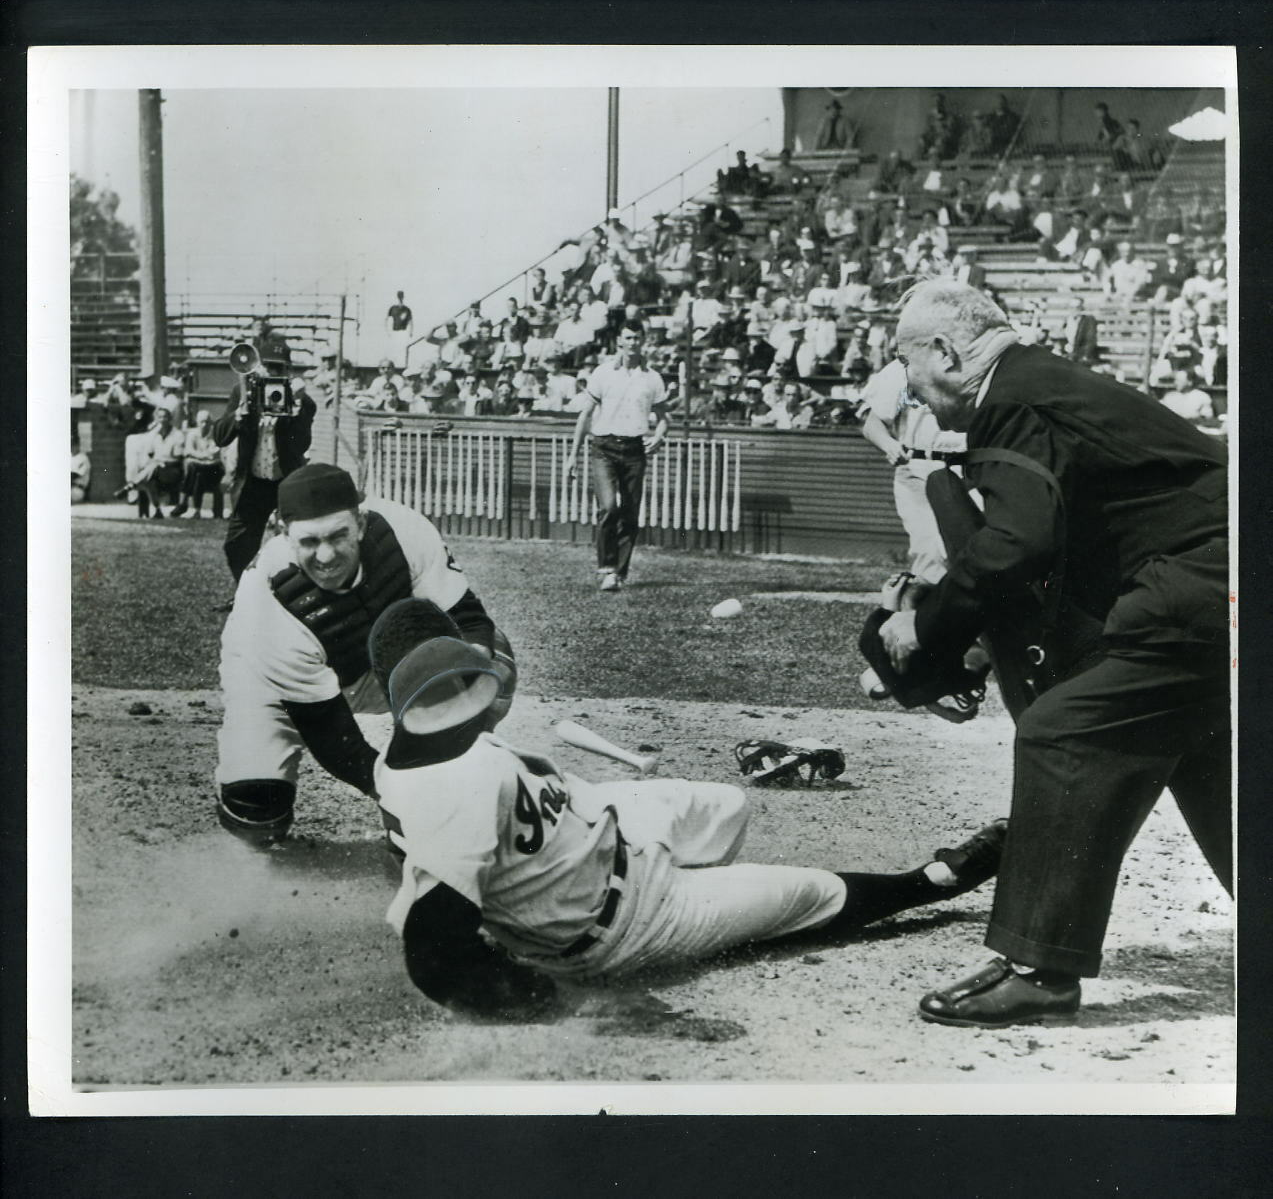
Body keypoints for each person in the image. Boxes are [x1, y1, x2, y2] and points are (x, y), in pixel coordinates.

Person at [366, 598, 1009, 1017]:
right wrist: (554, 1001)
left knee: (728, 806)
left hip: (597, 835)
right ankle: (934, 879)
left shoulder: (413, 754)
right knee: (809, 894)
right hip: (629, 920)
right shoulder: (456, 784)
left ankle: (700, 875)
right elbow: (434, 953)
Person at [881, 279, 1228, 1027]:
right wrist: (977, 648)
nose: (902, 379)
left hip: (1201, 575)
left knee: (1063, 732)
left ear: (943, 350)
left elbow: (1018, 543)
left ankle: (1039, 972)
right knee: (1203, 758)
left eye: (903, 358)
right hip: (1217, 573)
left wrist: (928, 627)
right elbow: (1054, 548)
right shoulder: (1037, 382)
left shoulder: (1011, 398)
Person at [214, 463, 514, 847]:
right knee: (255, 803)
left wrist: (459, 697)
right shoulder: (268, 595)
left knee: (491, 662)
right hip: (273, 686)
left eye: (339, 535)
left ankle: (452, 773)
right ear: (283, 535)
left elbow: (467, 618)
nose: (325, 555)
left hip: (373, 665)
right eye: (308, 542)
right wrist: (396, 791)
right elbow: (327, 730)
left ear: (360, 521)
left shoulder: (404, 531)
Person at [564, 321, 669, 592]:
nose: (633, 342)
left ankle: (619, 573)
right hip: (604, 447)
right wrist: (572, 456)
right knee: (609, 507)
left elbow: (663, 419)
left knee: (630, 514)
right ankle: (607, 567)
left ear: (644, 340)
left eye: (637, 337)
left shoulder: (652, 378)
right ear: (619, 342)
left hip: (635, 450)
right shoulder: (603, 373)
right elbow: (585, 414)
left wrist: (659, 437)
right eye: (628, 337)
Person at [213, 337, 317, 587]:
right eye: (268, 366)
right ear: (258, 366)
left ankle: (286, 595)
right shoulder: (243, 392)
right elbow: (219, 436)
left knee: (293, 545)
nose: (272, 373)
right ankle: (248, 592)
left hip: (285, 482)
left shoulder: (302, 401)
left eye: (278, 368)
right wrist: (239, 414)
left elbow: (301, 445)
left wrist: (297, 411)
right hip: (254, 483)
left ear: (288, 371)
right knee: (236, 546)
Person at [859, 358, 967, 584]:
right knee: (930, 552)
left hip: (969, 465)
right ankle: (924, 614)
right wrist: (889, 445)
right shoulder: (904, 367)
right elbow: (872, 423)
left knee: (974, 549)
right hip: (919, 466)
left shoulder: (979, 362)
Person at [131, 404, 185, 517]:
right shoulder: (154, 435)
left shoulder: (177, 435)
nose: (162, 420)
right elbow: (150, 453)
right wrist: (156, 463)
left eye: (165, 417)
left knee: (151, 470)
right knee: (148, 480)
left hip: (172, 470)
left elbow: (178, 458)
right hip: (156, 469)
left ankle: (132, 484)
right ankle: (157, 510)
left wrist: (161, 462)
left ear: (170, 418)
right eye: (160, 417)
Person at [172, 408, 226, 519]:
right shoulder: (192, 434)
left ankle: (183, 502)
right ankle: (195, 510)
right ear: (197, 422)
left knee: (192, 466)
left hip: (213, 469)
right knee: (197, 475)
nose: (204, 424)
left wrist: (198, 456)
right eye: (202, 421)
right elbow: (188, 451)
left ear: (211, 422)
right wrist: (204, 456)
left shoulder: (215, 433)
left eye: (207, 421)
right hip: (200, 469)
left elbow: (214, 454)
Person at [385, 291, 414, 365]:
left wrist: (410, 333)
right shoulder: (393, 308)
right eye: (399, 296)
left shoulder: (407, 309)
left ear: (403, 297)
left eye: (401, 296)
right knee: (393, 349)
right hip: (394, 332)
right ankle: (393, 364)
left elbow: (410, 322)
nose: (400, 298)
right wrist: (388, 332)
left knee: (403, 350)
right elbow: (387, 319)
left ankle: (402, 364)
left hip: (403, 333)